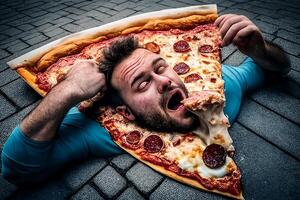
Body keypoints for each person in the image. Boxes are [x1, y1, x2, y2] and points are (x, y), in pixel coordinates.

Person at [1, 14, 290, 185]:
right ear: (125, 112)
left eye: (161, 67)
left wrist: (259, 48)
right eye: (142, 84)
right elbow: (16, 168)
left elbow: (275, 68)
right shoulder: (108, 127)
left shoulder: (218, 83)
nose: (164, 81)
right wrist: (67, 90)